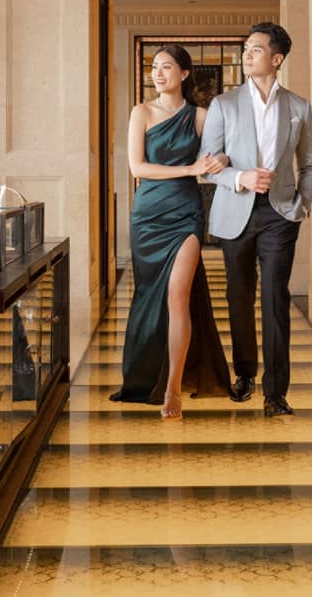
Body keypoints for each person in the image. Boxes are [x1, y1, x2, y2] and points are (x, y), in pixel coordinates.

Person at [199, 23, 312, 417]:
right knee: (239, 298)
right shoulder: (224, 104)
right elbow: (207, 167)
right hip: (236, 212)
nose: (247, 55)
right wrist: (240, 178)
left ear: (276, 58)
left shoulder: (299, 108)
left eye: (255, 49)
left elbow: (310, 164)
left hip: (280, 216)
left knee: (275, 300)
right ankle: (245, 374)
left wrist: (302, 203)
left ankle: (276, 392)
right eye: (245, 49)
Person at [110, 45, 233, 419]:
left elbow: (224, 153)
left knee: (178, 297)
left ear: (184, 73)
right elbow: (137, 168)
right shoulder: (141, 113)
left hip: (186, 215)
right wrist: (188, 170)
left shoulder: (201, 116)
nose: (158, 73)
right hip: (148, 216)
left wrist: (219, 160)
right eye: (154, 67)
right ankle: (148, 373)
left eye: (167, 67)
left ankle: (174, 389)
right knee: (151, 297)